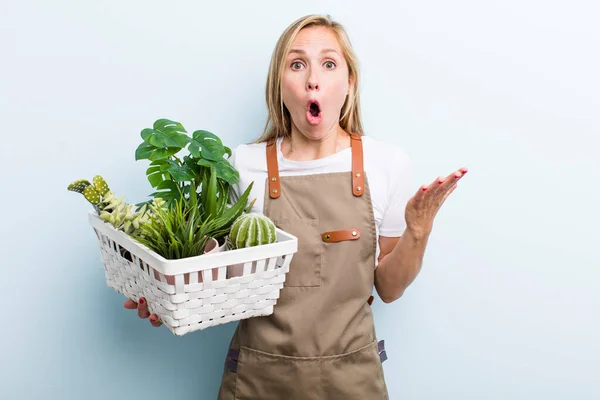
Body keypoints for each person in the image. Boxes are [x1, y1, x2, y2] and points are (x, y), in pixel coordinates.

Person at [124, 14, 467, 399]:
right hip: (257, 379)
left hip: (351, 381)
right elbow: (216, 276)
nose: (313, 79)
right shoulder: (243, 164)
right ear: (280, 86)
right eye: (297, 64)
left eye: (329, 63)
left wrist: (418, 231)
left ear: (349, 84)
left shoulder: (386, 164)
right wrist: (165, 298)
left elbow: (388, 288)